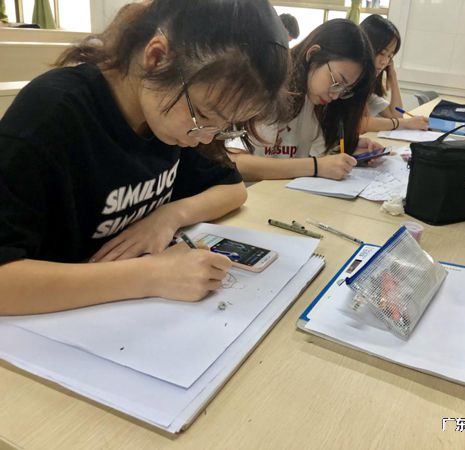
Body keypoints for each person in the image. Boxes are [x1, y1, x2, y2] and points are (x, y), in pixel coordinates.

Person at [0, 0, 290, 315]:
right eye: (205, 115)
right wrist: (152, 276)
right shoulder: (50, 116)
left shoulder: (169, 116)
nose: (207, 137)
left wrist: (169, 216)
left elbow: (233, 189)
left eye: (224, 126)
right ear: (156, 58)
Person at [229, 19, 381, 182]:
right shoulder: (263, 87)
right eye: (337, 82)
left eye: (345, 90)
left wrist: (350, 150)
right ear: (313, 54)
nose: (335, 95)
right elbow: (235, 162)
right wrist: (315, 166)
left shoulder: (312, 101)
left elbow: (320, 154)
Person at [359, 15, 428, 133]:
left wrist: (392, 76)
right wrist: (405, 123)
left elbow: (396, 115)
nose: (384, 61)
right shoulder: (350, 83)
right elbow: (360, 124)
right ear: (365, 47)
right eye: (382, 53)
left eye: (390, 56)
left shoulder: (368, 90)